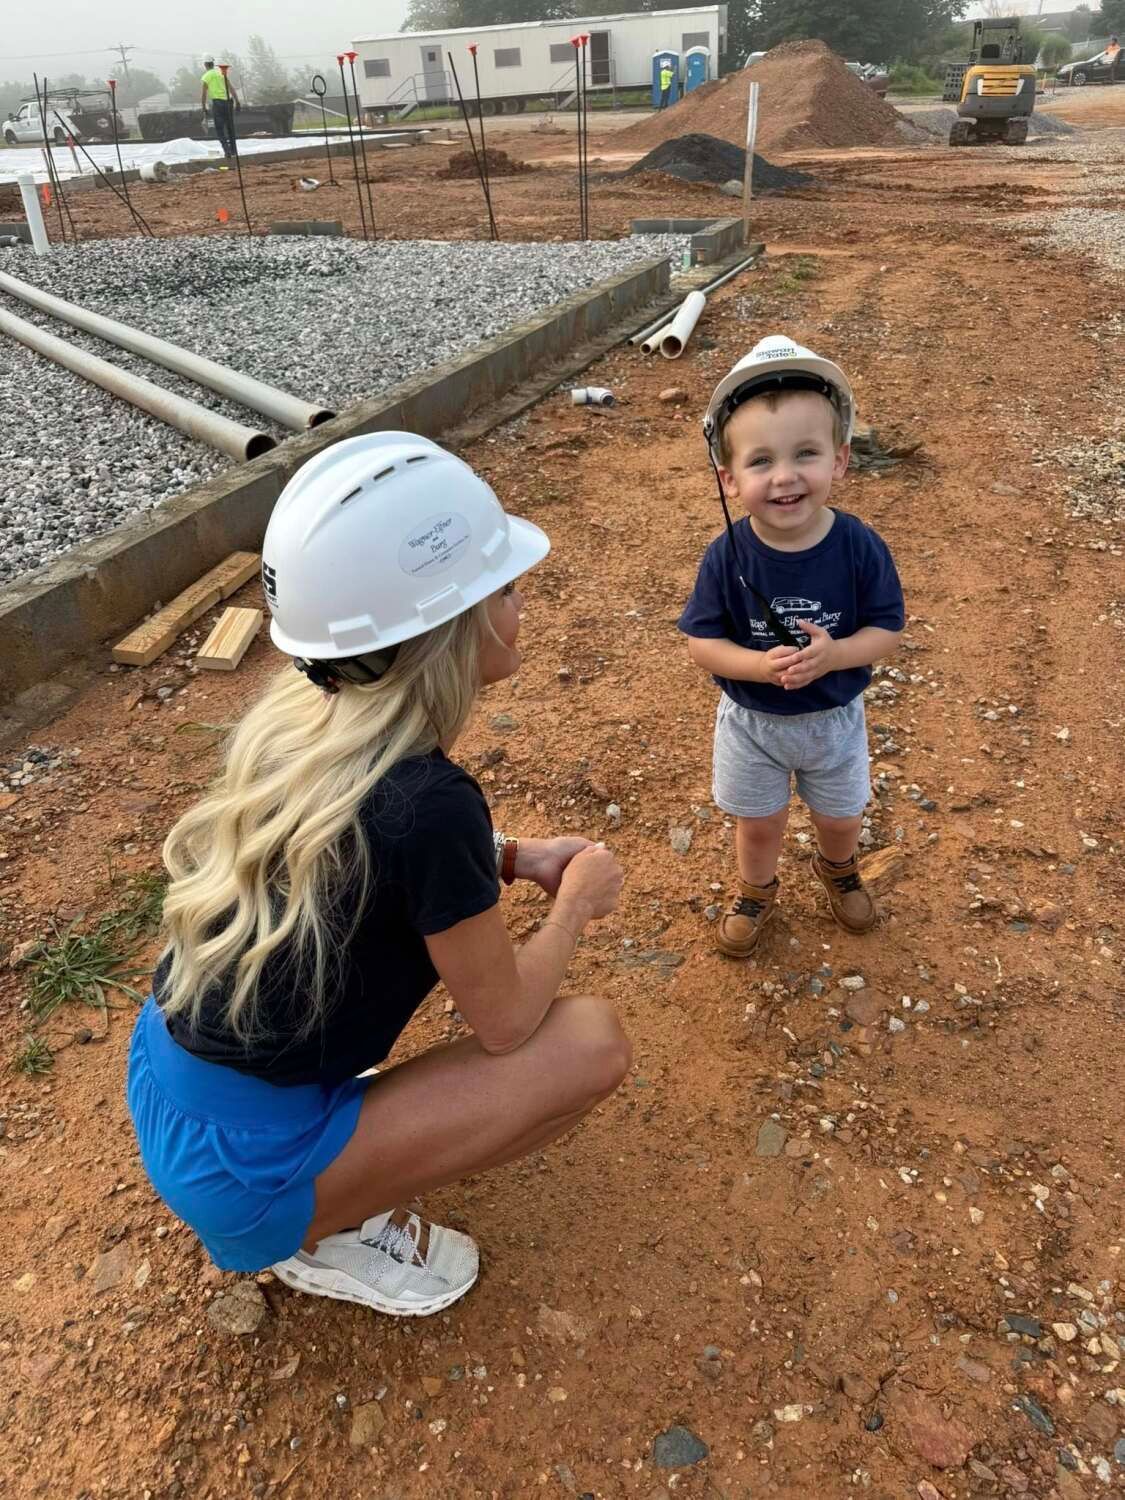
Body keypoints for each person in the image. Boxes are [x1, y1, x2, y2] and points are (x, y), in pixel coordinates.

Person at [126, 433, 630, 1317]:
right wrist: (574, 907)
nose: (518, 606)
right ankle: (319, 1229)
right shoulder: (430, 803)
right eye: (503, 587)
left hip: (172, 1083)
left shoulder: (305, 713)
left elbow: (366, 852)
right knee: (587, 1046)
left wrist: (506, 858)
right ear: (452, 627)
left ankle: (329, 1168)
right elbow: (509, 1023)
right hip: (246, 1173)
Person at [678, 336, 905, 958]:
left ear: (840, 462)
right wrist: (754, 664)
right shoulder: (725, 557)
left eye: (806, 453)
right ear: (727, 477)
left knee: (840, 818)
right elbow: (702, 641)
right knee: (759, 824)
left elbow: (887, 629)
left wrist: (835, 655)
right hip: (752, 723)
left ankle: (839, 868)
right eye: (760, 461)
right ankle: (757, 888)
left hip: (834, 720)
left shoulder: (860, 546)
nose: (785, 476)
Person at [200, 56, 240, 160]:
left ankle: (226, 150)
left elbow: (204, 94)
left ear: (205, 65)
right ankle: (234, 151)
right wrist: (237, 101)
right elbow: (231, 88)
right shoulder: (221, 73)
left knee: (219, 128)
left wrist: (203, 107)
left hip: (218, 103)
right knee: (230, 127)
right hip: (228, 102)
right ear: (213, 64)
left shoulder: (206, 76)